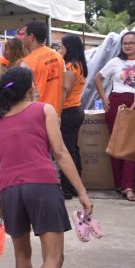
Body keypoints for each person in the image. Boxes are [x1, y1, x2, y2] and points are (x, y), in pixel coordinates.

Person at [0, 66, 92, 268]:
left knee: (22, 254)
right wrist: (82, 192)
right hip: (42, 186)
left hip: (10, 190)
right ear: (26, 88)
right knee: (53, 257)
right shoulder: (43, 110)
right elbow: (60, 153)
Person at [93, 31, 135, 201]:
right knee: (117, 144)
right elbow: (98, 79)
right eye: (125, 43)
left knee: (132, 146)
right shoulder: (115, 62)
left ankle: (128, 186)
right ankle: (119, 184)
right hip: (118, 104)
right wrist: (104, 98)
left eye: (132, 42)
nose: (128, 46)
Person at [57, 34, 88, 199]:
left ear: (69, 48)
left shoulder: (71, 66)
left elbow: (65, 89)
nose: (59, 49)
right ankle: (75, 186)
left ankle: (67, 189)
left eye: (61, 46)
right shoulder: (80, 64)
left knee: (66, 151)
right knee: (72, 149)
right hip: (76, 109)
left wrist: (58, 112)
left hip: (68, 110)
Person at [20, 21, 65, 116]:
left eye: (24, 34)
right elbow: (63, 88)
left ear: (31, 37)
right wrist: (59, 115)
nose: (22, 37)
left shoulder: (27, 62)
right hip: (55, 113)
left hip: (37, 115)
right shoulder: (58, 57)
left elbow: (24, 95)